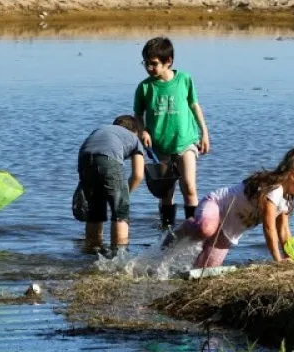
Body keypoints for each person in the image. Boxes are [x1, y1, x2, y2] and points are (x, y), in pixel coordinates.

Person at [171, 148, 294, 268]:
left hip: (228, 232)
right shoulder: (274, 189)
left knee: (203, 270)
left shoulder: (287, 199)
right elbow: (269, 228)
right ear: (293, 175)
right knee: (206, 228)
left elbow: (284, 231)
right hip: (217, 205)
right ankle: (180, 232)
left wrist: (289, 258)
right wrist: (277, 260)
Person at [134, 37, 210, 235]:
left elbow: (194, 105)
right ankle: (167, 232)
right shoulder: (145, 87)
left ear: (168, 61)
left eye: (153, 63)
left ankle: (192, 231)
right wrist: (143, 130)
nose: (149, 68)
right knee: (166, 193)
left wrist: (204, 133)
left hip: (185, 142)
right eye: (146, 63)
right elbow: (138, 115)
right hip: (160, 147)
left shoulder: (184, 79)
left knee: (189, 187)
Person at [77, 115, 146, 255]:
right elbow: (138, 175)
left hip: (84, 159)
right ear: (135, 131)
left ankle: (91, 252)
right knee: (120, 212)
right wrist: (123, 195)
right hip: (108, 161)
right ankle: (119, 254)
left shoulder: (101, 130)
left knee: (95, 212)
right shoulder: (134, 138)